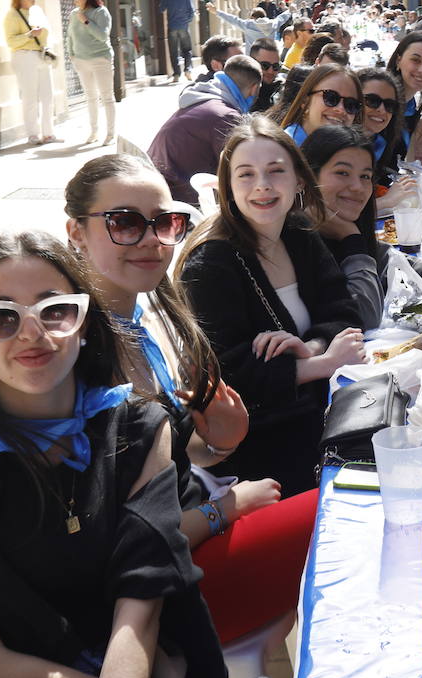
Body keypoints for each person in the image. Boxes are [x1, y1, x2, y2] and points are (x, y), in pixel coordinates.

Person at [0, 231, 226, 678]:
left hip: (132, 673)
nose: (31, 333)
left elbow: (139, 608)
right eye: (0, 317)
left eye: (55, 310)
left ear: (84, 325)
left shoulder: (140, 429)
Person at [64, 155, 317, 645]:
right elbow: (120, 537)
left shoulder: (141, 318)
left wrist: (218, 444)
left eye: (165, 223)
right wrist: (226, 508)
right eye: (124, 223)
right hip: (160, 599)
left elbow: (163, 462)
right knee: (350, 517)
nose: (150, 240)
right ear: (76, 232)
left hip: (192, 540)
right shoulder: (77, 354)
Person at [178, 117, 365, 495]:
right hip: (258, 448)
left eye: (275, 171)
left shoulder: (298, 235)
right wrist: (321, 364)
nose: (262, 185)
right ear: (228, 188)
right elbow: (230, 376)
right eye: (245, 175)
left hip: (315, 415)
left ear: (298, 179)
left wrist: (309, 345)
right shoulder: (211, 264)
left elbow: (343, 311)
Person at [302, 125, 422, 331]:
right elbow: (365, 315)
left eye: (365, 176)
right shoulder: (297, 240)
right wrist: (352, 240)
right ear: (308, 176)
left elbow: (388, 260)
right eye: (342, 173)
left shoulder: (335, 226)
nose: (357, 187)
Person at [147, 54, 262, 205]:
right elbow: (238, 170)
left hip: (161, 181)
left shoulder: (202, 98)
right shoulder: (226, 116)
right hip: (180, 197)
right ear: (254, 89)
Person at [5, 0, 59, 145]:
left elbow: (45, 33)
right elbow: (11, 42)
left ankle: (48, 134)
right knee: (30, 97)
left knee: (48, 96)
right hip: (24, 56)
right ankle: (33, 134)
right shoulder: (12, 15)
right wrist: (29, 34)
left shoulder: (37, 11)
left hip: (40, 55)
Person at [65, 0, 114, 146]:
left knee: (107, 97)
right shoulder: (73, 14)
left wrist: (86, 21)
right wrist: (72, 55)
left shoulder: (101, 12)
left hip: (101, 59)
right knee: (90, 97)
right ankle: (94, 131)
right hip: (81, 60)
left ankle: (110, 133)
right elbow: (70, 36)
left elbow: (102, 36)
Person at [355, 68, 412, 203]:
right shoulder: (336, 147)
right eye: (372, 101)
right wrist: (386, 202)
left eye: (389, 105)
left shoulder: (385, 143)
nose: (381, 109)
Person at [278, 63, 363, 147]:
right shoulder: (283, 151)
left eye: (351, 104)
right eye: (330, 97)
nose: (341, 109)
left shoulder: (349, 155)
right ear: (305, 101)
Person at [207, 2, 292, 50]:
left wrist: (217, 12)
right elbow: (282, 17)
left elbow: (232, 19)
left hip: (252, 59)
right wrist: (290, 10)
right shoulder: (273, 24)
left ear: (253, 17)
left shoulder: (248, 25)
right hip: (270, 57)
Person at [159, 0, 196, 82]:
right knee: (187, 49)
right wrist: (187, 21)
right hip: (184, 26)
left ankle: (176, 74)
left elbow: (161, 9)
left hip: (172, 27)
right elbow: (192, 12)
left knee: (173, 51)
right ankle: (188, 70)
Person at [249, 37, 284, 113]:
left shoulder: (282, 90)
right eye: (265, 65)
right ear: (252, 62)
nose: (270, 71)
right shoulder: (242, 90)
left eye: (275, 66)